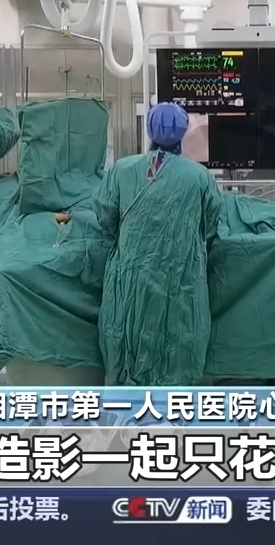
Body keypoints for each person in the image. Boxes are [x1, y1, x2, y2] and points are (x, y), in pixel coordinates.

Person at [93, 102, 223, 386]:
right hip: (181, 278)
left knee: (128, 336)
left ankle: (128, 404)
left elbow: (105, 218)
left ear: (149, 129)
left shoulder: (122, 170)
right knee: (178, 338)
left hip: (131, 277)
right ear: (183, 131)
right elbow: (211, 224)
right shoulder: (199, 176)